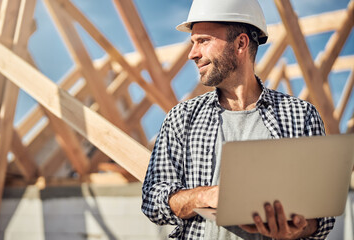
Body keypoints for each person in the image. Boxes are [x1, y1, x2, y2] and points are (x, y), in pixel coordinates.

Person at [141, 0, 335, 239]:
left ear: (241, 43)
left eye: (203, 41)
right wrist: (204, 196)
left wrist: (297, 228)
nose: (192, 54)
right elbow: (152, 199)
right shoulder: (183, 118)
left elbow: (322, 218)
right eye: (193, 42)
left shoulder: (300, 116)